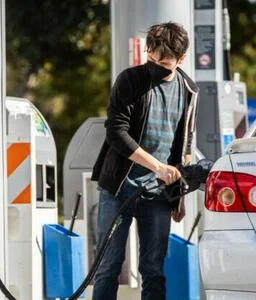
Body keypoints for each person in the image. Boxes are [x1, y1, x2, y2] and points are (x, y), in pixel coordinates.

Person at [91, 22, 199, 300]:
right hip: (119, 187)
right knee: (108, 266)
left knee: (153, 268)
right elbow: (117, 133)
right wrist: (158, 167)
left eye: (163, 61)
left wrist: (178, 197)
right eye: (150, 58)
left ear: (181, 59)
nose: (155, 65)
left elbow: (184, 146)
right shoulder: (130, 80)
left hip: (158, 194)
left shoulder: (189, 90)